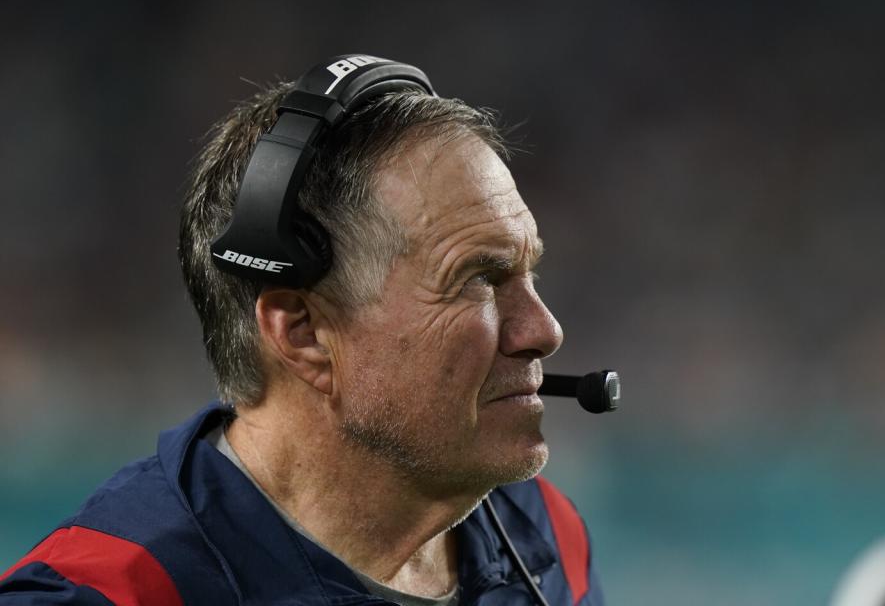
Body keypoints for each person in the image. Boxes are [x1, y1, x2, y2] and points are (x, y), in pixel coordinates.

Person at [0, 55, 605, 605]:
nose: (544, 330)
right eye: (478, 279)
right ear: (303, 333)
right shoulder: (108, 595)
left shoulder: (549, 538)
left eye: (530, 273)